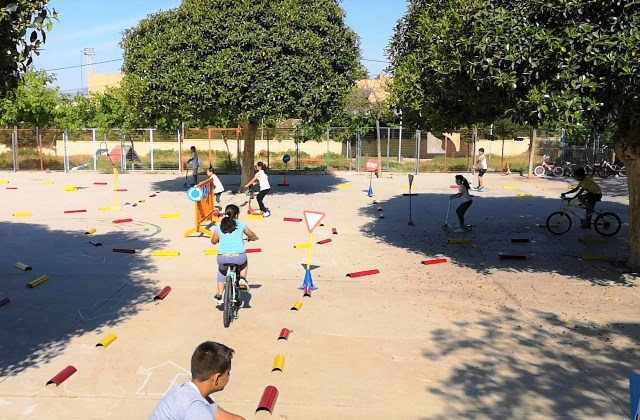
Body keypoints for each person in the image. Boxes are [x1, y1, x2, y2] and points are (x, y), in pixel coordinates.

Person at [149, 341, 245, 420]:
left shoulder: (188, 391)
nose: (229, 375)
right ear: (217, 378)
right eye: (227, 372)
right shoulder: (197, 409)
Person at [211, 204, 258, 304]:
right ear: (236, 215)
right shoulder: (240, 224)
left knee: (221, 271)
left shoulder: (219, 226)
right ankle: (242, 279)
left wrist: (218, 240)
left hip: (223, 258)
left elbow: (213, 241)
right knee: (244, 262)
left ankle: (219, 296)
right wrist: (255, 238)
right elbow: (251, 234)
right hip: (238, 257)